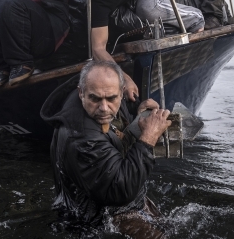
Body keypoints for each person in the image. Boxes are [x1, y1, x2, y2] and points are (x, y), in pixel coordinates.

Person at [41, 60, 170, 237]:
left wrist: (137, 118)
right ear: (81, 93)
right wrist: (148, 137)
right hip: (101, 219)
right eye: (95, 98)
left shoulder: (100, 100)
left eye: (111, 98)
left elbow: (114, 137)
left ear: (121, 92)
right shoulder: (82, 138)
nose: (103, 108)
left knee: (167, 228)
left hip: (121, 203)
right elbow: (119, 191)